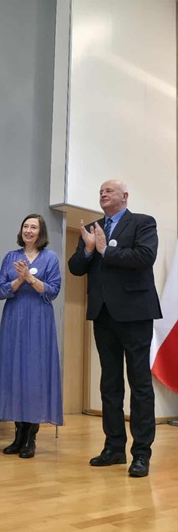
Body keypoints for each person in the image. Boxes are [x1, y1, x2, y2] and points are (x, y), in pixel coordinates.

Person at [68, 180, 162, 478]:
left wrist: (105, 250)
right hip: (103, 314)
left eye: (109, 191)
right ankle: (114, 448)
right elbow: (75, 267)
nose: (103, 194)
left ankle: (141, 453)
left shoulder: (143, 223)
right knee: (109, 384)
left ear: (125, 196)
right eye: (101, 191)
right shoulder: (92, 228)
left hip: (135, 314)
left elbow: (145, 257)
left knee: (139, 383)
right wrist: (87, 250)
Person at [0, 214, 63, 458]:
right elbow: (0, 290)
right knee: (15, 373)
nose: (29, 230)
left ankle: (31, 437)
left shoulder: (50, 257)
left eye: (34, 227)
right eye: (25, 226)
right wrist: (19, 280)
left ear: (41, 232)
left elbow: (53, 290)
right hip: (15, 319)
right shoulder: (11, 257)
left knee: (35, 374)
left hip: (39, 319)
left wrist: (30, 279)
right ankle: (18, 435)